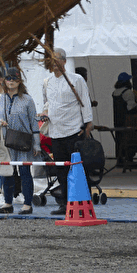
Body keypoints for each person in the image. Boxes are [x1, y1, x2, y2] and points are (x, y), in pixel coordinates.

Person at [36, 49, 92, 202]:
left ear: (64, 61)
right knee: (61, 169)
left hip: (74, 130)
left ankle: (83, 202)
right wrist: (45, 113)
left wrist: (88, 124)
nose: (54, 62)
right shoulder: (47, 82)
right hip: (56, 131)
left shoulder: (76, 79)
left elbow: (85, 102)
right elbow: (47, 103)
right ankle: (65, 203)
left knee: (78, 167)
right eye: (51, 59)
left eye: (57, 59)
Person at [0, 67, 40, 214]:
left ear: (20, 81)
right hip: (6, 141)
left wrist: (37, 143)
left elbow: (34, 122)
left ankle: (27, 204)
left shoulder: (28, 100)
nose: (11, 81)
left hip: (23, 141)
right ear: (4, 80)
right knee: (7, 173)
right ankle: (8, 203)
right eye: (8, 78)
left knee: (25, 172)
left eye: (14, 78)